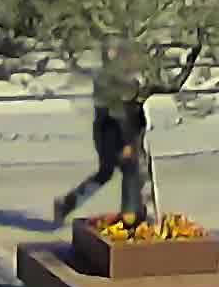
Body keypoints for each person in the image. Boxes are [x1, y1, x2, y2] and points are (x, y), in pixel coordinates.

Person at [52, 86, 149, 225]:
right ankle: (131, 216)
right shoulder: (119, 77)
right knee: (131, 170)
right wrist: (126, 141)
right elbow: (118, 111)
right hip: (114, 130)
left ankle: (67, 204)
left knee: (107, 172)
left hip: (109, 128)